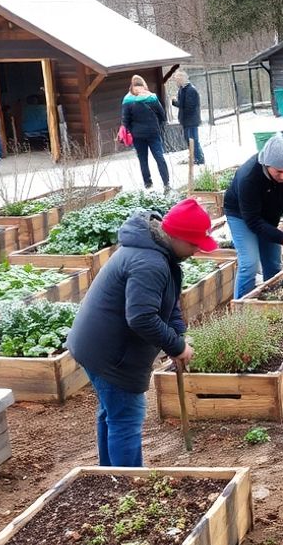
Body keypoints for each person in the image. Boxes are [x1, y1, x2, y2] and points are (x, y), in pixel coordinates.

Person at [67, 198, 216, 467]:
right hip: (111, 355)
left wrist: (178, 339)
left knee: (112, 414)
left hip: (100, 346)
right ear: (178, 236)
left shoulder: (161, 253)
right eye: (194, 244)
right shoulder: (150, 263)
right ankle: (129, 490)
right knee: (125, 419)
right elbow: (142, 318)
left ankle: (110, 478)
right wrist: (177, 347)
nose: (197, 251)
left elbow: (168, 306)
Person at [224, 135, 283, 298]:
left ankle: (273, 307)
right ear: (266, 165)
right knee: (249, 264)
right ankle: (241, 312)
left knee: (273, 265)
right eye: (279, 171)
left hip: (268, 218)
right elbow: (253, 221)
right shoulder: (249, 176)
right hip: (241, 215)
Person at [122, 75, 172, 192]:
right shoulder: (151, 98)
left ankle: (149, 184)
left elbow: (125, 120)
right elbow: (162, 115)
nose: (138, 89)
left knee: (144, 160)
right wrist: (156, 125)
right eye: (137, 86)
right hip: (151, 133)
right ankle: (166, 183)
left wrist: (133, 129)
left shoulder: (127, 100)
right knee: (159, 158)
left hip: (140, 135)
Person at [171, 70, 204, 166]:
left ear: (181, 79)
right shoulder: (183, 89)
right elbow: (183, 105)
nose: (176, 83)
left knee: (193, 140)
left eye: (177, 80)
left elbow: (188, 106)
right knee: (190, 140)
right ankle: (195, 157)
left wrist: (175, 102)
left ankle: (199, 159)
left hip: (191, 121)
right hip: (186, 121)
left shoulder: (190, 90)